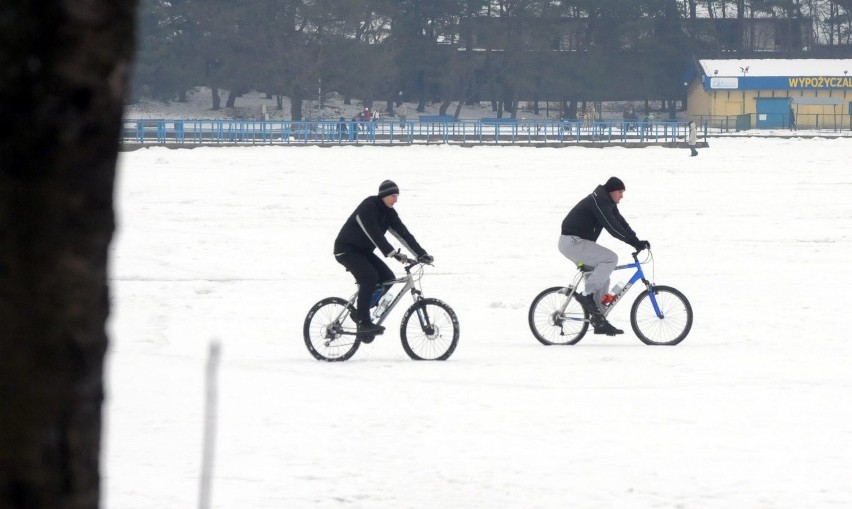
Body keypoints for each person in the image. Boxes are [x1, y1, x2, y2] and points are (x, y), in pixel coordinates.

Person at [333, 180, 433, 340]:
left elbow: (404, 234)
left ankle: (360, 312)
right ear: (384, 195)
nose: (396, 199)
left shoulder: (390, 213)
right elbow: (373, 233)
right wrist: (393, 253)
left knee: (388, 278)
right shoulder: (368, 206)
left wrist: (421, 254)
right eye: (393, 196)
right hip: (346, 250)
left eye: (397, 196)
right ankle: (363, 322)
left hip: (363, 252)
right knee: (369, 276)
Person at [558, 177, 650, 336]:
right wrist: (633, 242)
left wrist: (636, 240)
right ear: (612, 191)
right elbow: (613, 228)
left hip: (576, 243)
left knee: (604, 277)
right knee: (610, 259)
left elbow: (620, 222)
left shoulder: (606, 202)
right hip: (572, 242)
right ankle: (585, 296)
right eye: (620, 192)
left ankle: (599, 321)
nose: (622, 196)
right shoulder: (599, 202)